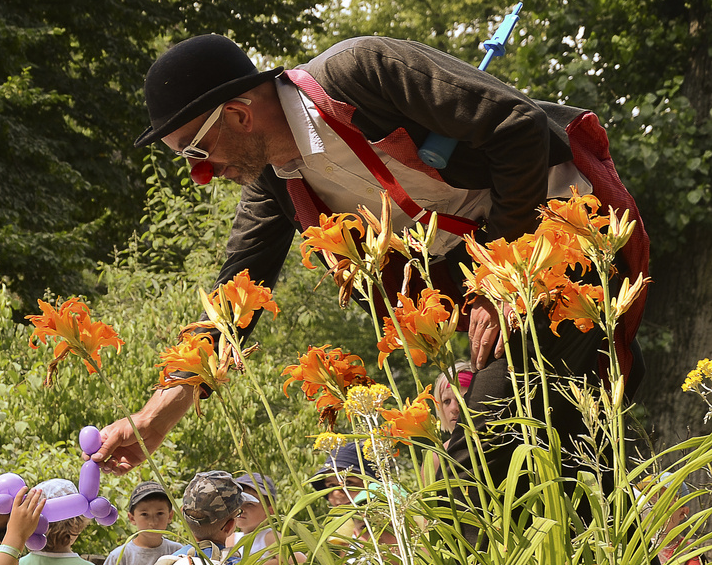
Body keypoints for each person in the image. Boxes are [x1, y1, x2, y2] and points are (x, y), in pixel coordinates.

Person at [93, 33, 650, 491]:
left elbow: (517, 128)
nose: (200, 173)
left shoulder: (363, 71)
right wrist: (152, 419)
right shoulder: (278, 186)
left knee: (474, 465)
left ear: (238, 114)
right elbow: (232, 299)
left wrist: (496, 280)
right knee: (571, 470)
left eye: (195, 150)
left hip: (565, 241)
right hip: (502, 284)